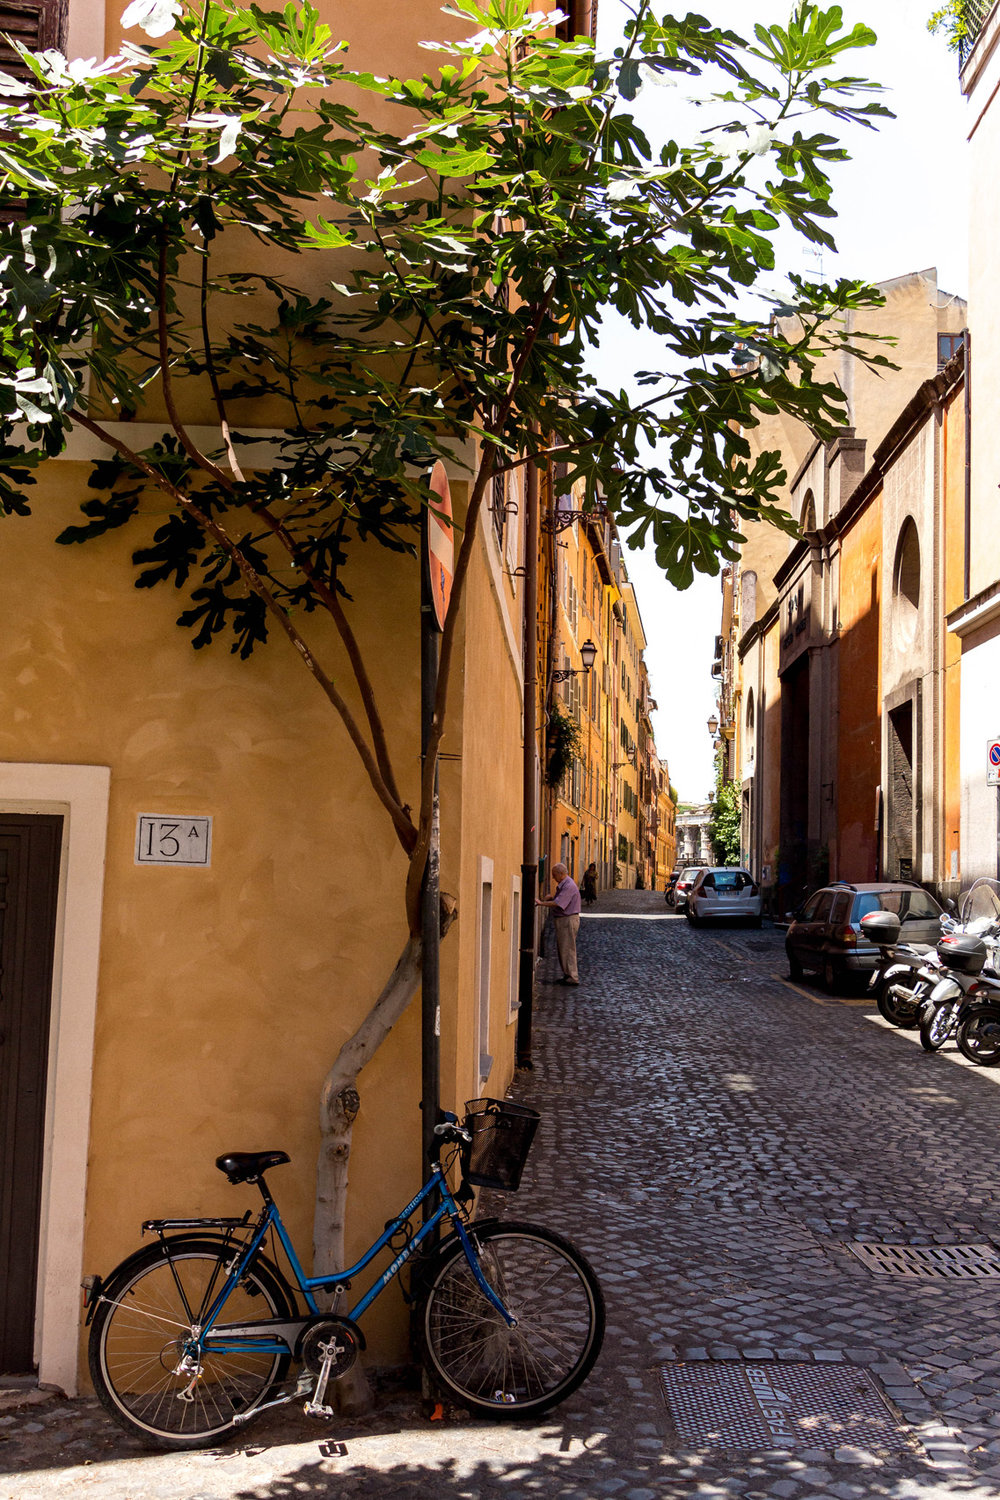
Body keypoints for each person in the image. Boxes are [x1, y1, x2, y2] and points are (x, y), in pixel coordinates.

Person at [537, 863, 582, 985]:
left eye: (554, 875)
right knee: (564, 948)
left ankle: (572, 976)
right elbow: (558, 899)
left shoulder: (569, 886)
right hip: (565, 920)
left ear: (561, 874)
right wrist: (550, 897)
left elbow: (559, 903)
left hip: (567, 920)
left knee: (567, 948)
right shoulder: (565, 885)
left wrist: (541, 903)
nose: (553, 877)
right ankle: (568, 975)